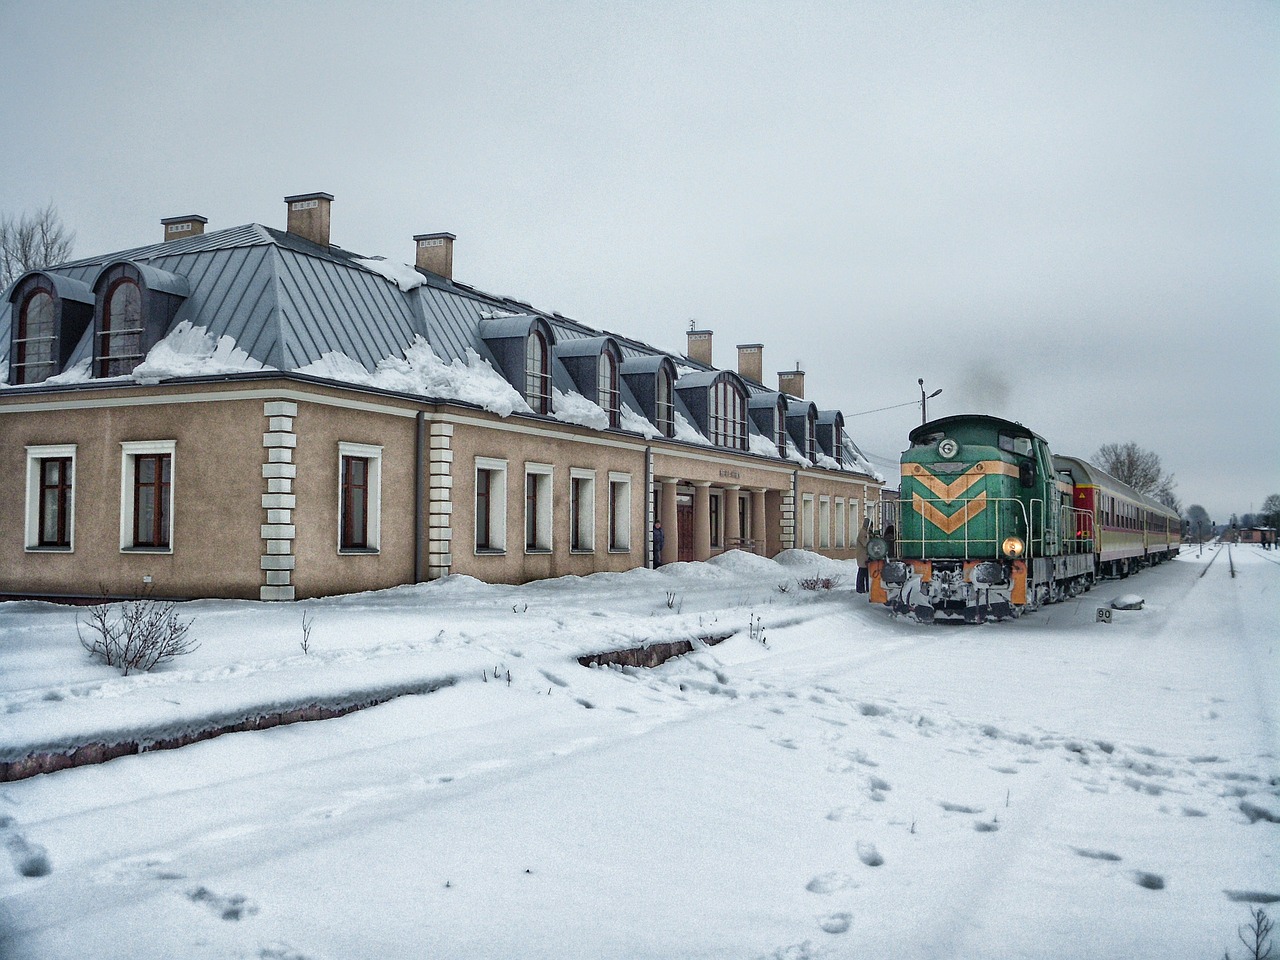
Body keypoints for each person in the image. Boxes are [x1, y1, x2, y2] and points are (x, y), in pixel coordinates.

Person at [854, 518, 872, 593]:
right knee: (862, 573)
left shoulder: (864, 532)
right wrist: (870, 538)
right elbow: (865, 543)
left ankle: (865, 588)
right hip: (863, 556)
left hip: (863, 556)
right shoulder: (863, 533)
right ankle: (861, 588)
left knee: (865, 572)